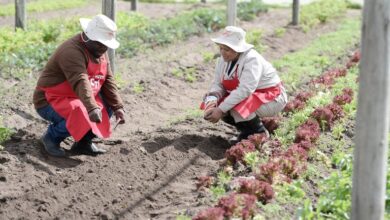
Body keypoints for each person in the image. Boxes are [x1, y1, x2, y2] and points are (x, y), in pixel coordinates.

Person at [33, 14, 125, 157]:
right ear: (88, 37)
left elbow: (107, 79)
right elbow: (80, 80)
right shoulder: (71, 51)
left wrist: (118, 106)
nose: (103, 48)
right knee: (82, 113)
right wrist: (92, 107)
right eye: (100, 43)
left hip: (79, 96)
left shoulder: (99, 50)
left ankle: (83, 144)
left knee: (107, 107)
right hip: (50, 100)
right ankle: (51, 138)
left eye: (106, 44)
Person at [202, 26, 287, 142]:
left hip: (272, 97)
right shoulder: (222, 60)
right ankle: (247, 131)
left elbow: (245, 90)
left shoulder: (252, 60)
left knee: (234, 107)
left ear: (237, 49)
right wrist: (212, 100)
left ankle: (258, 133)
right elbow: (218, 84)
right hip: (252, 96)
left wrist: (221, 110)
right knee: (220, 104)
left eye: (226, 49)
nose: (222, 52)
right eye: (220, 48)